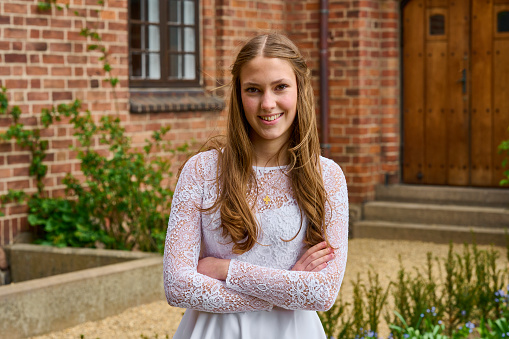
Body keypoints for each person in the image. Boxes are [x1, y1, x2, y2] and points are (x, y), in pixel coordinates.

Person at [163, 33, 349, 339]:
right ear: (238, 95)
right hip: (214, 332)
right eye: (253, 89)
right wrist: (288, 287)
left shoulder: (326, 177)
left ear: (300, 89)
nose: (267, 103)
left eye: (280, 87)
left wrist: (227, 271)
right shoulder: (202, 170)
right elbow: (178, 286)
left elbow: (323, 293)